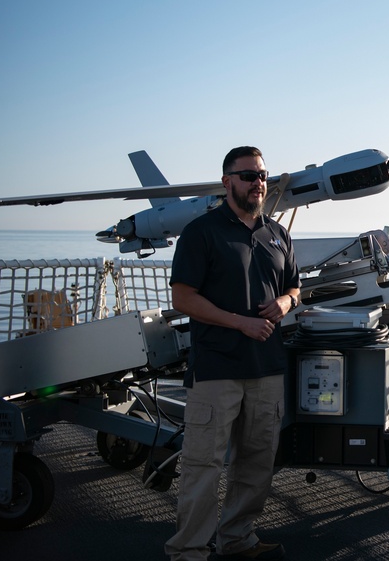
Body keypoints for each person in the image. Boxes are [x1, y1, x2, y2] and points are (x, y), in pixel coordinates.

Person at [165, 146, 301, 561]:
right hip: (217, 370)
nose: (257, 183)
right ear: (227, 182)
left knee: (257, 465)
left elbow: (296, 287)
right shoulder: (202, 232)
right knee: (203, 466)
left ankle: (237, 540)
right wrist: (239, 322)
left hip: (266, 369)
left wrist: (286, 303)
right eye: (247, 176)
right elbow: (183, 298)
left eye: (262, 176)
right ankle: (189, 551)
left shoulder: (277, 233)